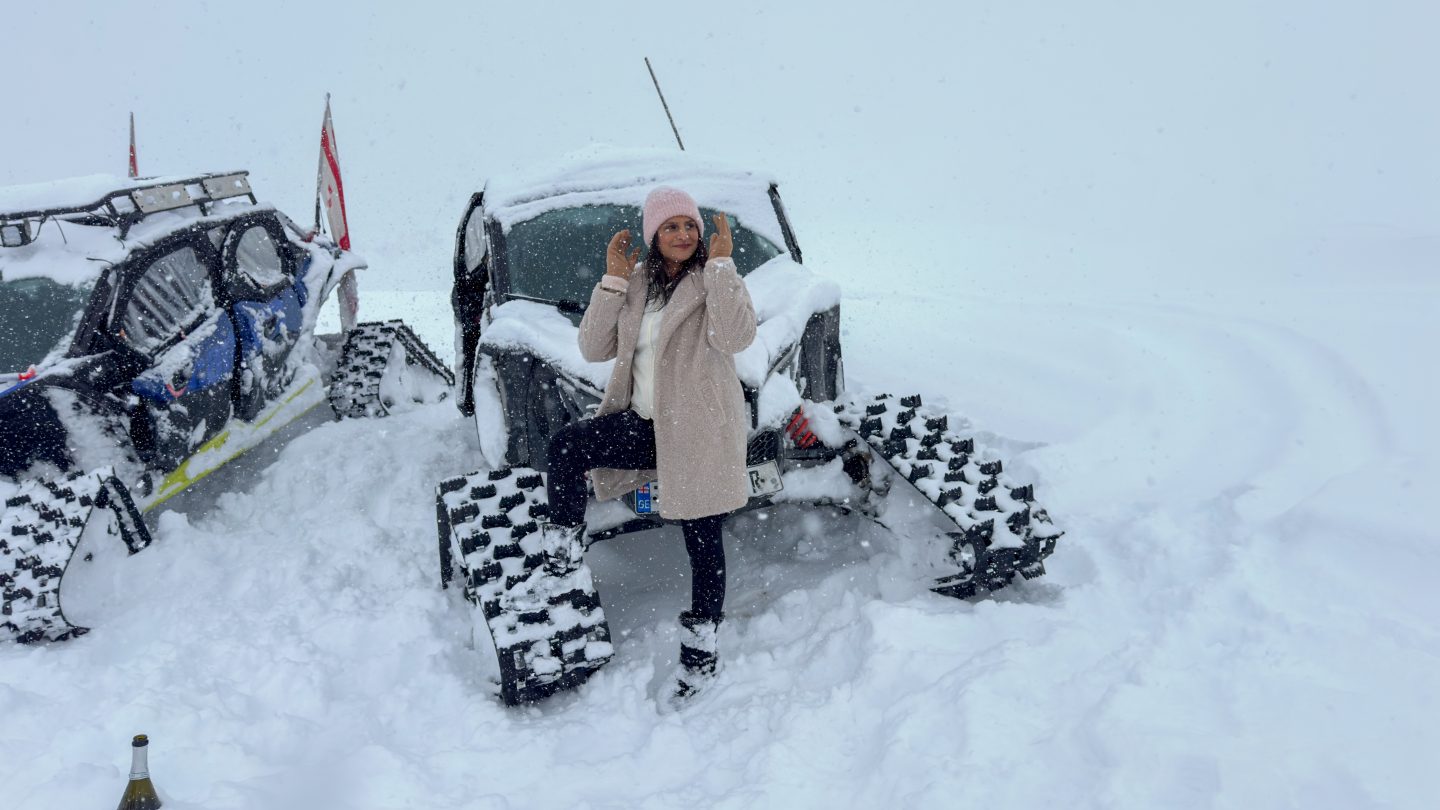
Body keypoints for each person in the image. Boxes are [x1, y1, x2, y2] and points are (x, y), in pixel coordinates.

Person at [537, 185, 756, 709]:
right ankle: (565, 545)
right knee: (567, 447)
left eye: (689, 226)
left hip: (699, 432)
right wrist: (612, 279)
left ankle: (701, 647)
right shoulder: (638, 283)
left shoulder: (713, 279)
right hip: (646, 424)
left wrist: (723, 268)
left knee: (703, 540)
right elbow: (593, 347)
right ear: (652, 235)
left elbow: (736, 337)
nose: (682, 235)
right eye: (670, 226)